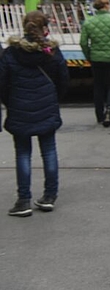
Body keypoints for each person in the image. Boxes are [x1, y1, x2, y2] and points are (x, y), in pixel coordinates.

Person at [1, 11, 69, 216]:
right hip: (47, 106)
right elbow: (64, 80)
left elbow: (2, 83)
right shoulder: (52, 52)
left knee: (22, 153)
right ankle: (49, 196)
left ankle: (23, 200)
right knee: (48, 150)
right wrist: (54, 98)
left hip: (19, 108)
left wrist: (9, 103)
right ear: (45, 27)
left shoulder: (11, 52)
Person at [80, 0, 110, 127]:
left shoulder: (88, 22)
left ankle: (99, 114)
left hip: (96, 58)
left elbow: (83, 42)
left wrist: (88, 55)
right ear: (106, 5)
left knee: (98, 86)